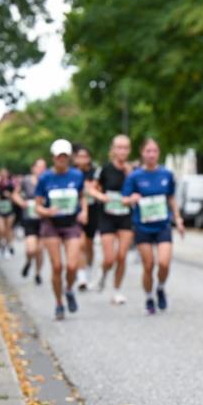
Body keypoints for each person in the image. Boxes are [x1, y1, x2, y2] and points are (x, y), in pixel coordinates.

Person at [122, 138, 184, 315]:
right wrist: (131, 199)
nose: (151, 154)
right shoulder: (134, 176)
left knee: (164, 263)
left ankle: (161, 288)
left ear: (158, 153)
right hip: (143, 226)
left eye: (154, 151)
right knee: (148, 265)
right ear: (142, 153)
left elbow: (171, 198)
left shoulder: (166, 174)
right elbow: (124, 199)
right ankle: (149, 297)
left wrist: (178, 219)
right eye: (148, 151)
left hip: (163, 224)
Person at [35, 139, 88, 320]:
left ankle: (69, 289)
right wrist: (46, 211)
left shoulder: (77, 175)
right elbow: (37, 206)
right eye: (59, 156)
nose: (62, 160)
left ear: (69, 158)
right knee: (57, 266)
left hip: (71, 223)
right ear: (53, 157)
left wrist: (84, 212)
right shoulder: (45, 178)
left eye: (65, 156)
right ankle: (59, 303)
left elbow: (82, 197)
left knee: (72, 265)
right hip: (51, 225)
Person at [91, 135, 134, 305]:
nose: (122, 151)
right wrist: (101, 196)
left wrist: (132, 198)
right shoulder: (104, 169)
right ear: (113, 150)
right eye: (119, 147)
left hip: (125, 216)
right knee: (109, 258)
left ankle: (116, 291)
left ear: (129, 150)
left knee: (122, 256)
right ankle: (102, 274)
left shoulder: (132, 171)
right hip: (107, 216)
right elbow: (92, 190)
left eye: (125, 148)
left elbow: (138, 192)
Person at [13, 158, 47, 285]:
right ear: (33, 168)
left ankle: (38, 273)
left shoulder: (47, 180)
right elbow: (15, 194)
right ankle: (28, 261)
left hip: (44, 220)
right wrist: (22, 203)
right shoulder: (25, 181)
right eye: (39, 167)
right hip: (29, 218)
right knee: (31, 249)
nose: (41, 169)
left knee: (40, 250)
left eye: (44, 167)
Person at [73, 145, 99, 290]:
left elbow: (99, 188)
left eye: (85, 157)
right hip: (76, 212)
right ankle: (81, 275)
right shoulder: (71, 172)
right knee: (80, 244)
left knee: (89, 244)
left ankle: (88, 268)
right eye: (79, 157)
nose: (82, 160)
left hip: (93, 211)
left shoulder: (95, 173)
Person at [0, 167, 17, 259]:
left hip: (9, 210)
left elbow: (16, 197)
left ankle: (7, 247)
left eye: (5, 173)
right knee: (1, 229)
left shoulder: (11, 185)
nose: (3, 175)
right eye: (1, 173)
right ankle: (0, 247)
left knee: (8, 230)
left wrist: (10, 196)